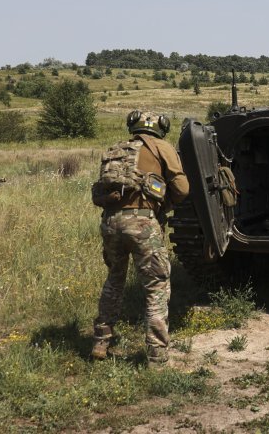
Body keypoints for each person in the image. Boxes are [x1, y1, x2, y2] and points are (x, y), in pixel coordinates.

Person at [91, 110, 190, 365]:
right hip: (143, 223)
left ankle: (101, 341)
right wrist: (166, 203)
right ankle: (157, 354)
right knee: (156, 286)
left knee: (114, 281)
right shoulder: (161, 147)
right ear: (161, 127)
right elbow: (182, 189)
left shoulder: (116, 149)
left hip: (111, 222)